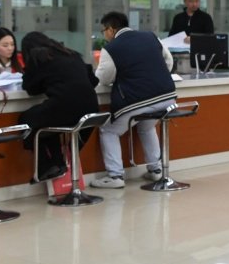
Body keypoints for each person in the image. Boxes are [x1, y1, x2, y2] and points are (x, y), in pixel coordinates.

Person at [92, 11, 176, 188]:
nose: (104, 35)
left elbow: (104, 78)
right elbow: (168, 62)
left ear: (111, 29)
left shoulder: (111, 48)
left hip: (137, 100)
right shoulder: (151, 36)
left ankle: (115, 176)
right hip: (167, 97)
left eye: (103, 31)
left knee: (109, 130)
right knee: (147, 126)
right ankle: (156, 170)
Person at [17, 32, 99, 182]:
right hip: (92, 109)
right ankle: (57, 164)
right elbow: (94, 80)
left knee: (26, 119)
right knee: (48, 123)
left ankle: (45, 166)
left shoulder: (38, 56)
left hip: (67, 108)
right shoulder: (71, 53)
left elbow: (30, 88)